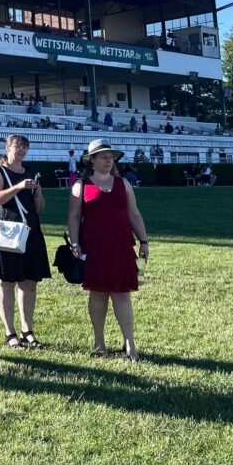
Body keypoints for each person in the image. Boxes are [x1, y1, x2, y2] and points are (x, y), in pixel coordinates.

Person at [68, 139, 149, 362]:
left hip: (121, 246)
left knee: (123, 294)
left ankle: (130, 343)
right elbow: (74, 217)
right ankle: (99, 342)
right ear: (91, 160)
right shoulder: (81, 185)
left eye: (110, 156)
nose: (108, 159)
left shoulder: (124, 184)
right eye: (103, 156)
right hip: (93, 248)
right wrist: (75, 243)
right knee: (98, 294)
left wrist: (144, 241)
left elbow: (134, 214)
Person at [0, 135, 50, 350]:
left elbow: (39, 207)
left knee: (29, 282)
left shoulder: (31, 173)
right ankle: (10, 332)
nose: (22, 150)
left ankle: (28, 330)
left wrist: (37, 193)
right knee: (6, 282)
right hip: (8, 229)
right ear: (8, 148)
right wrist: (18, 187)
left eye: (25, 146)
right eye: (18, 146)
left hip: (30, 229)